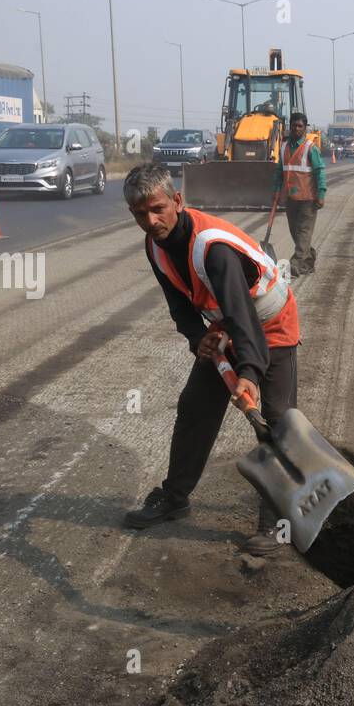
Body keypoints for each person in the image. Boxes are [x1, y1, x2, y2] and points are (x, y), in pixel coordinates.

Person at [121, 163, 300, 556]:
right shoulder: (156, 246)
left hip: (269, 322)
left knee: (274, 419)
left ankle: (277, 523)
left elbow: (244, 316)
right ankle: (175, 497)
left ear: (177, 202)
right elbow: (179, 305)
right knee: (195, 407)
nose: (150, 221)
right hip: (225, 324)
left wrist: (250, 372)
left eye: (157, 209)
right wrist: (198, 339)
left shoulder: (213, 249)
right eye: (139, 214)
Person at [272, 112, 327, 276]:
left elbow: (320, 172)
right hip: (291, 198)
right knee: (296, 233)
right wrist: (276, 192)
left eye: (300, 126)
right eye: (294, 125)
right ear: (289, 127)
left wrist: (321, 194)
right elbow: (279, 173)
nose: (296, 128)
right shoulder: (283, 148)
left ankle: (295, 263)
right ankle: (308, 261)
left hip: (308, 199)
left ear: (305, 128)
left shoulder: (311, 148)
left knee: (304, 232)